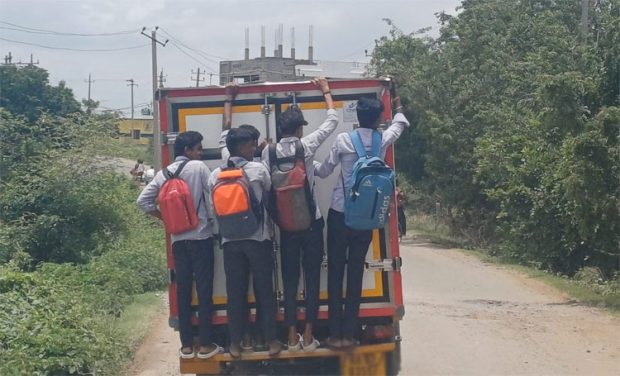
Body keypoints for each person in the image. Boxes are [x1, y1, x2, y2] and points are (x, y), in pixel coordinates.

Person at [315, 90, 410, 348]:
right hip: (366, 218)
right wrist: (398, 105)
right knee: (356, 272)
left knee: (335, 273)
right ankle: (350, 333)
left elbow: (324, 172)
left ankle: (335, 334)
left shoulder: (344, 140)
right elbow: (399, 125)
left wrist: (307, 163)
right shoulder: (382, 139)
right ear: (379, 118)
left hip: (340, 214)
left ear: (357, 116)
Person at [261, 77, 337, 351]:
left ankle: (290, 336)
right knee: (313, 278)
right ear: (298, 128)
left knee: (290, 280)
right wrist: (325, 91)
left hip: (286, 227)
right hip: (312, 223)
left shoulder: (267, 153)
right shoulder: (306, 148)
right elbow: (332, 122)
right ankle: (308, 335)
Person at [136, 131, 223, 359]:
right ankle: (205, 344)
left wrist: (167, 220)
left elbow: (142, 202)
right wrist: (214, 223)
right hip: (201, 238)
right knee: (204, 292)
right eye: (198, 148)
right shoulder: (198, 168)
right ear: (188, 150)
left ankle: (186, 345)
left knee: (183, 291)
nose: (201, 153)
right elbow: (211, 198)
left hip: (179, 241)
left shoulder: (163, 174)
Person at [209, 127, 282, 358]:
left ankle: (235, 343)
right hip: (258, 239)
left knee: (235, 292)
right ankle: (270, 340)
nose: (254, 148)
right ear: (242, 147)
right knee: (264, 292)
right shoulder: (258, 169)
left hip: (230, 242)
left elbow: (213, 211)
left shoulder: (215, 175)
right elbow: (270, 192)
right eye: (252, 144)